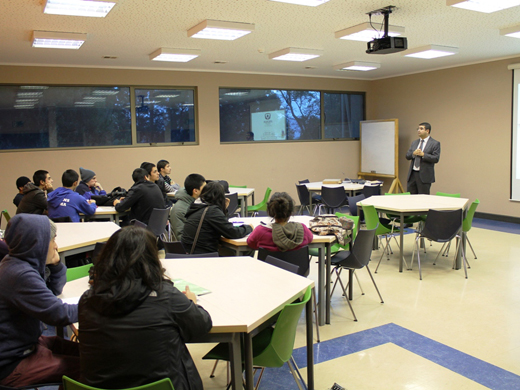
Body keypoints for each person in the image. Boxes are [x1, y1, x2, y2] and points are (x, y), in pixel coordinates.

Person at [78, 226, 212, 389]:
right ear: (151, 259)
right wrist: (192, 302)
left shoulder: (87, 300)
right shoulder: (166, 296)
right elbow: (201, 326)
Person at [0, 214, 79, 387]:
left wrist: (56, 265)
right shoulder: (20, 275)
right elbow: (59, 314)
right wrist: (97, 302)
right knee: (89, 366)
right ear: (39, 243)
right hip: (13, 362)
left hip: (25, 343)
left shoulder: (17, 262)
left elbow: (54, 291)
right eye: (53, 240)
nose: (56, 246)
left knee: (89, 352)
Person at [182, 181, 252, 254]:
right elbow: (232, 232)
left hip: (190, 253)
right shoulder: (211, 211)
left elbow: (223, 225)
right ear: (220, 197)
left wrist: (223, 209)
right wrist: (249, 228)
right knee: (248, 250)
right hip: (203, 256)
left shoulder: (196, 206)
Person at [247, 192, 314, 252]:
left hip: (268, 265)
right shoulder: (303, 230)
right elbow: (310, 238)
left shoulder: (260, 231)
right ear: (291, 212)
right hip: (297, 266)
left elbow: (251, 243)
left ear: (270, 211)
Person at [405, 122, 441, 194]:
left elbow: (436, 158)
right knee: (410, 198)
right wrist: (413, 154)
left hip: (424, 176)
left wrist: (423, 154)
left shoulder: (434, 143)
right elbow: (407, 156)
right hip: (413, 175)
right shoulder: (414, 143)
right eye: (418, 129)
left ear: (427, 131)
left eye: (421, 129)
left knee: (423, 199)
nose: (418, 130)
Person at [170, 174, 206, 241]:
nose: (206, 191)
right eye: (204, 188)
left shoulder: (197, 202)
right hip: (191, 248)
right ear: (195, 191)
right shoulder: (179, 210)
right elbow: (181, 237)